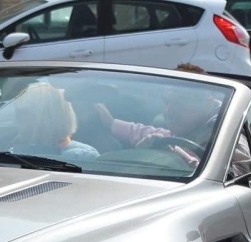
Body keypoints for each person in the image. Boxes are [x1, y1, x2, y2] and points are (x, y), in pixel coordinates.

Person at [93, 63, 222, 166]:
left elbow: (235, 175)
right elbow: (154, 134)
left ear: (208, 102)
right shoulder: (188, 129)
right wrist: (111, 123)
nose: (168, 111)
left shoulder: (226, 134)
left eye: (181, 102)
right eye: (166, 102)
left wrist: (175, 156)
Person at [10, 82, 101, 161]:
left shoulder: (84, 158)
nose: (15, 122)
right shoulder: (12, 154)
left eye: (21, 115)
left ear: (45, 118)